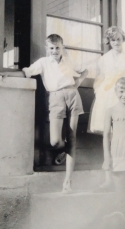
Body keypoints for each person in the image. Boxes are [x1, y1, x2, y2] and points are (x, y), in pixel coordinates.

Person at [23, 34, 88, 193]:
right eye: (51, 48)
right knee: (55, 141)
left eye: (57, 47)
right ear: (47, 49)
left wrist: (78, 82)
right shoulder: (43, 62)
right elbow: (28, 71)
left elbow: (84, 70)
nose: (54, 50)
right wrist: (24, 71)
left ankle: (68, 182)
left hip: (73, 95)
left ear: (62, 47)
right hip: (56, 97)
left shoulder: (68, 60)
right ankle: (66, 151)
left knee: (72, 138)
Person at [89, 26, 125, 189]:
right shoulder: (103, 59)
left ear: (122, 39)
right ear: (108, 41)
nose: (116, 42)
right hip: (107, 97)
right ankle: (109, 178)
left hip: (124, 96)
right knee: (109, 138)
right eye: (112, 39)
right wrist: (100, 93)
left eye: (118, 39)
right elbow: (100, 79)